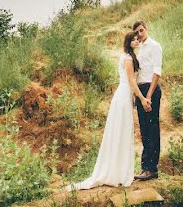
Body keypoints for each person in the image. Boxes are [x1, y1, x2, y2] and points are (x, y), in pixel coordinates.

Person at [64, 31, 147, 190]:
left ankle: (118, 170)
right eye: (134, 40)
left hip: (123, 95)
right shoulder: (128, 59)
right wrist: (141, 98)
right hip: (123, 96)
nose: (137, 41)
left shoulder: (127, 56)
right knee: (122, 131)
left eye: (138, 39)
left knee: (121, 131)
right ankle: (119, 173)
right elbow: (131, 81)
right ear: (128, 42)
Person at [132, 20, 162, 181]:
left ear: (146, 29)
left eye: (141, 31)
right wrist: (137, 96)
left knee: (152, 128)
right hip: (140, 91)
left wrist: (148, 97)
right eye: (136, 32)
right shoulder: (138, 49)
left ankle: (152, 168)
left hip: (151, 89)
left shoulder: (155, 46)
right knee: (144, 130)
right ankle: (145, 167)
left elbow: (157, 72)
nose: (139, 34)